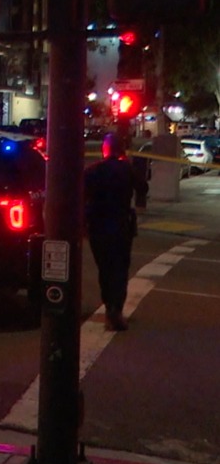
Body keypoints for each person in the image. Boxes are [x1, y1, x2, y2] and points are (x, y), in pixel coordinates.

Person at [84, 132, 148, 331]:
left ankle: (109, 305)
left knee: (104, 268)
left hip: (98, 225)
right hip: (121, 224)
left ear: (104, 149)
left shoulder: (93, 170)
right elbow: (143, 188)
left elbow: (82, 194)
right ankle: (116, 309)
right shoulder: (127, 169)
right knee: (119, 269)